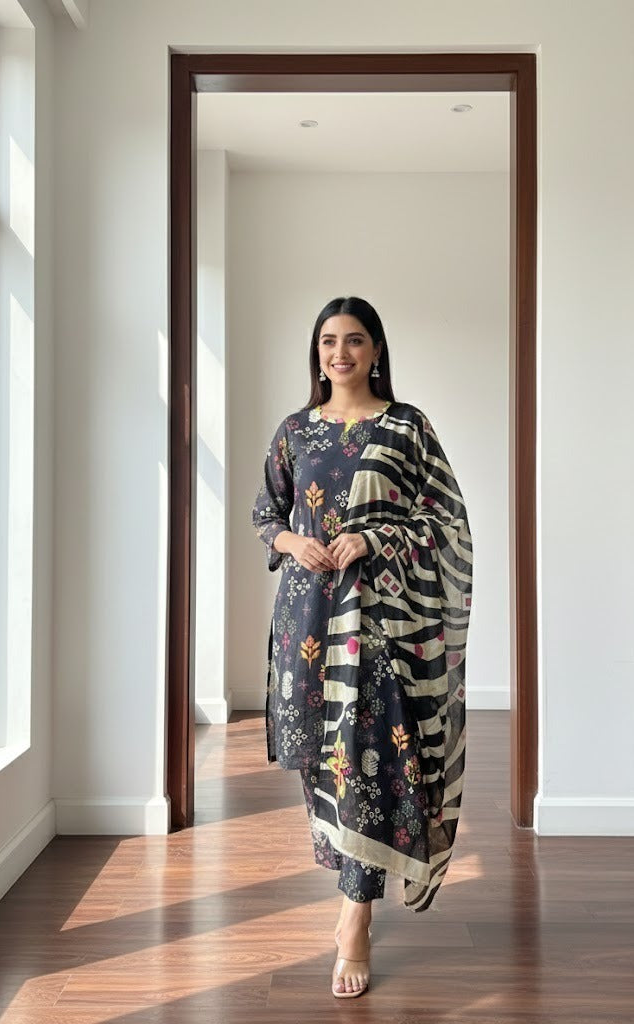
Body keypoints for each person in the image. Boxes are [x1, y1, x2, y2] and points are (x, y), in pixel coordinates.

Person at [251, 296, 473, 998]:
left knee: (369, 759)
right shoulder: (295, 431)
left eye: (353, 340)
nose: (339, 353)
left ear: (376, 350)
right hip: (307, 617)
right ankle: (353, 885)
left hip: (382, 625)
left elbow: (446, 520)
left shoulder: (407, 427)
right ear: (316, 353)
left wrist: (374, 539)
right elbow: (266, 513)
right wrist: (294, 542)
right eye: (327, 341)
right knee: (325, 762)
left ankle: (355, 917)